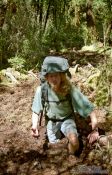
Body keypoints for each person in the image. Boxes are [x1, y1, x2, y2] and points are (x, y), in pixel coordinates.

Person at [31, 56, 98, 156]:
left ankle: (70, 157)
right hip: (51, 122)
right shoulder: (42, 90)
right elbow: (36, 110)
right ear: (46, 77)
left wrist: (95, 130)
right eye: (51, 76)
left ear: (61, 76)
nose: (54, 79)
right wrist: (34, 125)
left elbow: (87, 107)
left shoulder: (69, 89)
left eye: (56, 75)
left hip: (67, 119)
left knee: (74, 142)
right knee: (54, 146)